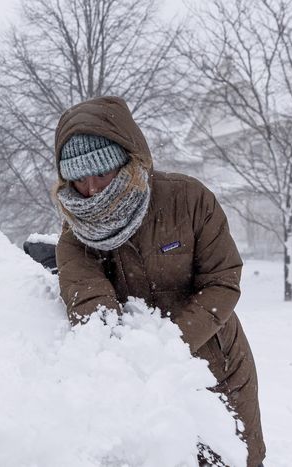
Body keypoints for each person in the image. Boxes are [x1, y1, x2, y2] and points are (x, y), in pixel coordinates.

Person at [52, 96, 265, 467]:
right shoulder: (75, 236)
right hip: (141, 382)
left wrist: (169, 343)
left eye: (100, 172)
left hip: (217, 365)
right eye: (78, 178)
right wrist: (127, 357)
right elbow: (90, 305)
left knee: (234, 458)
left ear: (127, 162)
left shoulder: (189, 199)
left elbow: (223, 281)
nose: (91, 189)